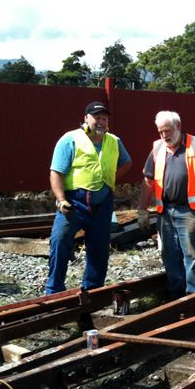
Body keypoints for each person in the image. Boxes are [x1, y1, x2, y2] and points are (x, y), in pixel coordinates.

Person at [46, 101, 132, 297]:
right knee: (60, 240)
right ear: (86, 118)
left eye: (104, 118)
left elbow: (127, 162)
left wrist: (110, 178)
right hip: (73, 202)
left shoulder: (114, 141)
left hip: (102, 203)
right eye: (96, 118)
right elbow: (56, 173)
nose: (101, 122)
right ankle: (54, 290)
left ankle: (93, 291)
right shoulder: (70, 139)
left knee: (100, 248)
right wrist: (61, 200)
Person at [138, 110, 195, 300]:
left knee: (192, 256)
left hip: (191, 211)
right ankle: (176, 295)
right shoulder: (158, 148)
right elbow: (148, 181)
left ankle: (194, 296)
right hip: (165, 212)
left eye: (167, 130)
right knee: (169, 255)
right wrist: (142, 209)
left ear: (178, 127)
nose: (164, 136)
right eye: (160, 132)